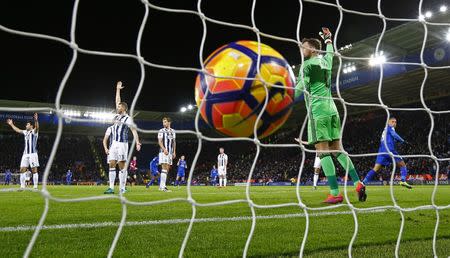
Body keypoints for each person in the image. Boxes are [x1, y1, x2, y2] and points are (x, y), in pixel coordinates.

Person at [295, 28, 365, 204]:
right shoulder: (326, 59)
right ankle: (358, 183)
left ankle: (335, 193)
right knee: (338, 150)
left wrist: (279, 95)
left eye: (304, 47)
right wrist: (328, 39)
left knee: (323, 152)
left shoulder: (307, 65)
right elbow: (331, 52)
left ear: (312, 49)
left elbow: (299, 90)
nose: (302, 50)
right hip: (333, 109)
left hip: (318, 111)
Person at [104, 81, 141, 194]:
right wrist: (118, 89)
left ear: (124, 108)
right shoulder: (116, 115)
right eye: (118, 106)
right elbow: (117, 100)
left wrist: (138, 142)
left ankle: (122, 187)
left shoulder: (128, 118)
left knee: (121, 166)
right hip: (114, 143)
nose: (118, 107)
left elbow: (133, 130)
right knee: (111, 164)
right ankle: (111, 187)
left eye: (120, 106)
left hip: (122, 144)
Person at [361, 117, 413, 191]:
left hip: (381, 151)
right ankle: (403, 181)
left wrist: (396, 141)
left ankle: (363, 183)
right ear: (388, 122)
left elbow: (391, 138)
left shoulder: (385, 130)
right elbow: (394, 135)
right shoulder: (390, 128)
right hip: (389, 150)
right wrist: (403, 141)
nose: (394, 123)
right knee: (402, 165)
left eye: (395, 122)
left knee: (376, 168)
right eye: (392, 121)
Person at [6, 113, 40, 190]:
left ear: (31, 126)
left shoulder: (34, 132)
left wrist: (36, 120)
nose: (26, 126)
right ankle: (22, 186)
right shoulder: (25, 132)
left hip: (33, 154)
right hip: (25, 154)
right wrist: (11, 124)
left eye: (27, 124)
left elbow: (37, 127)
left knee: (34, 170)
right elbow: (17, 130)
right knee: (22, 170)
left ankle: (35, 187)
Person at [158, 117, 176, 192]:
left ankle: (162, 186)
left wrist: (174, 151)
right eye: (163, 122)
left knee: (167, 169)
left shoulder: (173, 131)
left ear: (169, 122)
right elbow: (160, 141)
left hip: (170, 153)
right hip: (163, 152)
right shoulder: (161, 131)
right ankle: (163, 187)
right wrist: (164, 149)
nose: (163, 123)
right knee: (164, 168)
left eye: (165, 122)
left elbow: (174, 142)